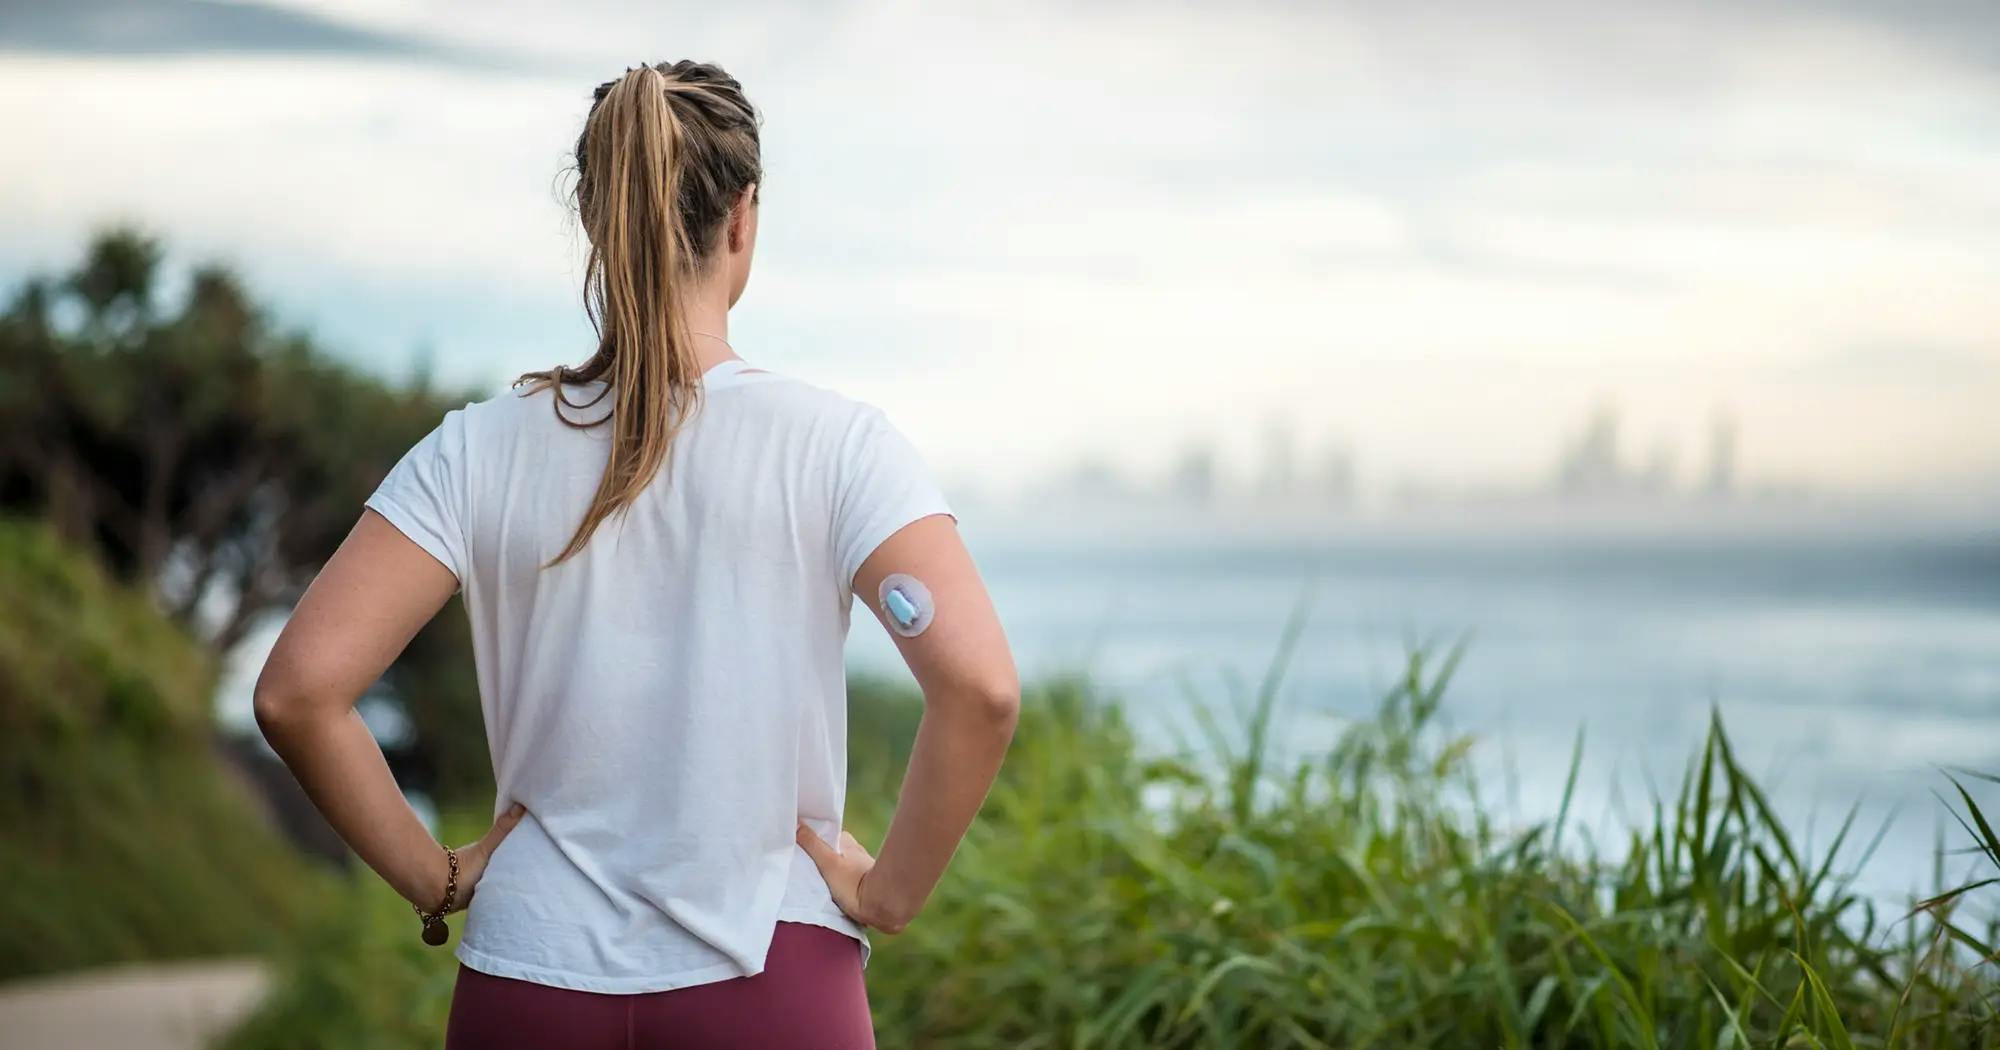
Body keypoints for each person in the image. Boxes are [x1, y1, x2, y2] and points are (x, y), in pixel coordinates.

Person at [253, 59, 1019, 1048]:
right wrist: (888, 892)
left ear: (593, 217)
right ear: (743, 218)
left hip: (529, 978)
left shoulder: (476, 449)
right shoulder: (837, 445)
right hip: (770, 969)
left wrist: (433, 877)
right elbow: (981, 690)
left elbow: (296, 693)